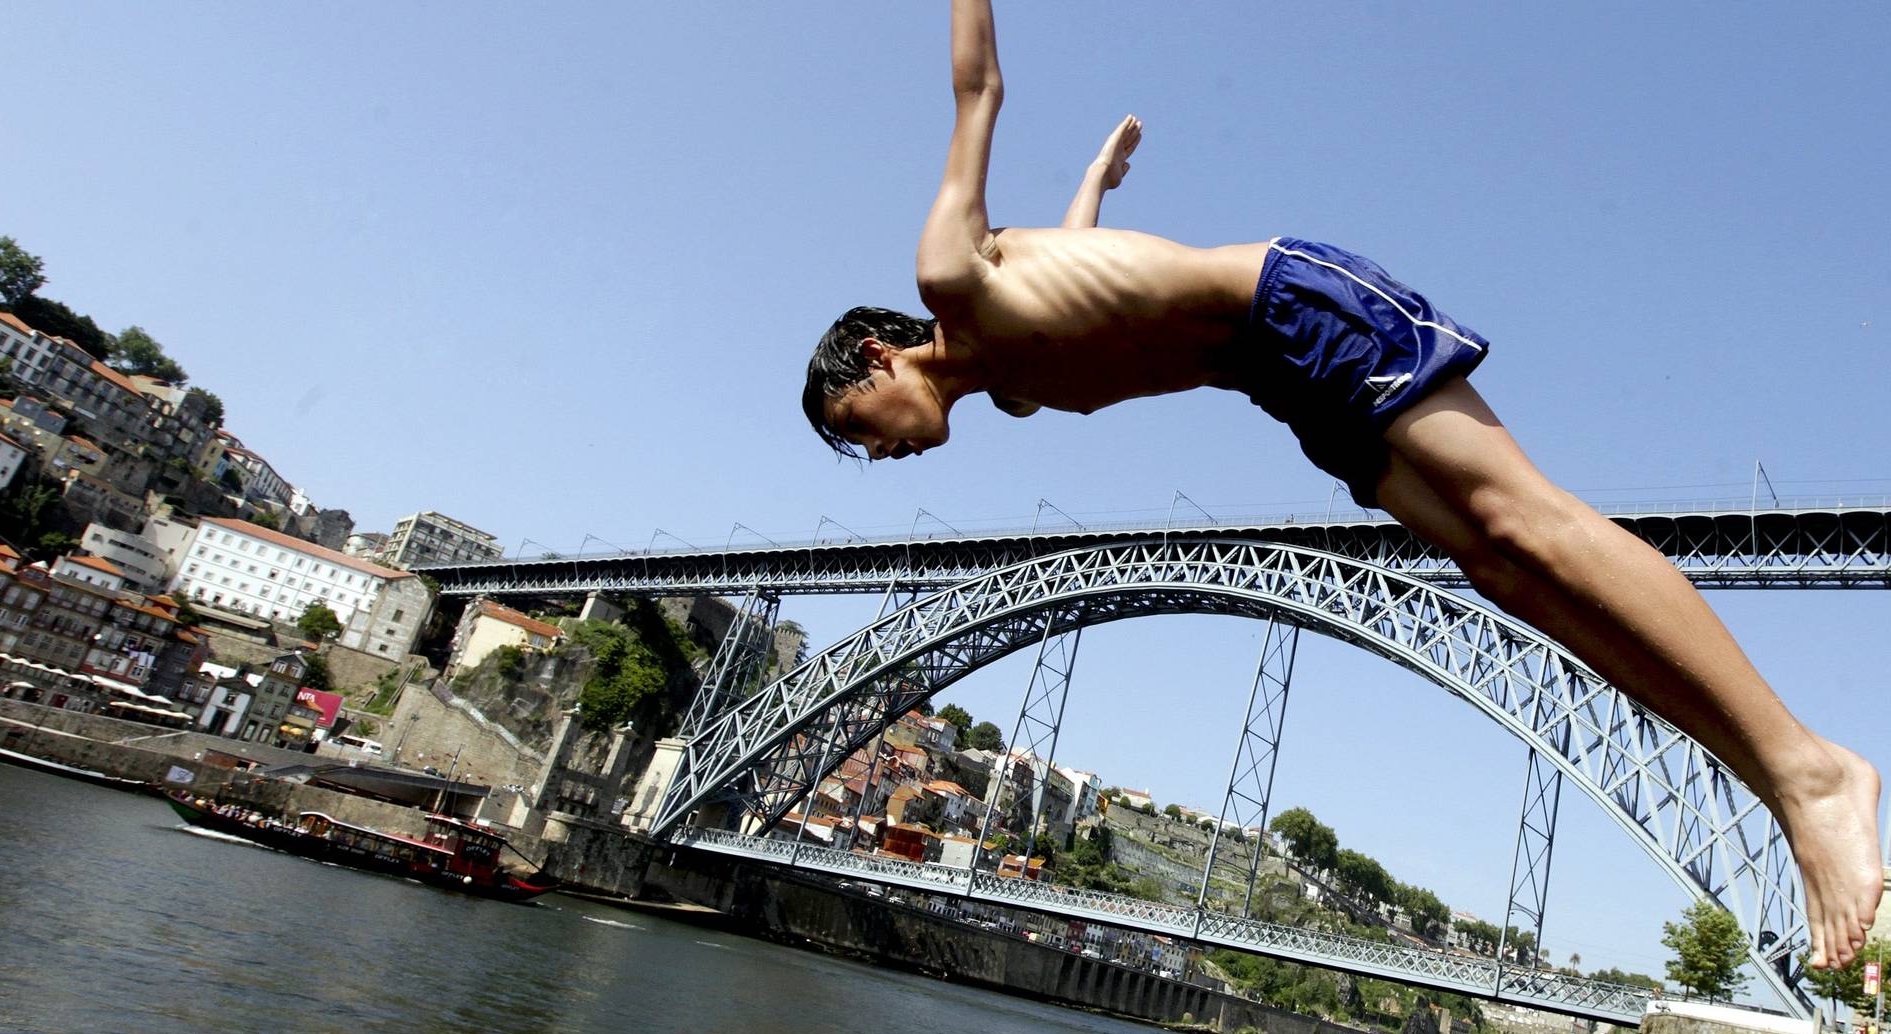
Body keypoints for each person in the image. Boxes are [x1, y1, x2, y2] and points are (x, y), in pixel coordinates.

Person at [801, 0, 1882, 969]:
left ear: (876, 355)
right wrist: (1099, 178)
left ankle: (1807, 772)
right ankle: (1776, 780)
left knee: (1523, 519)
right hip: (1286, 393)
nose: (879, 454)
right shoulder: (1017, 385)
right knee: (1507, 576)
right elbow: (1080, 268)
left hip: (1294, 310)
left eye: (862, 428)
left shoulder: (948, 272)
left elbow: (976, 84)